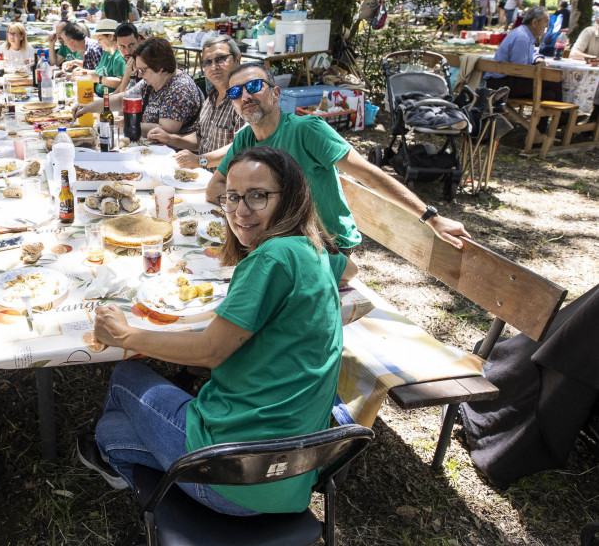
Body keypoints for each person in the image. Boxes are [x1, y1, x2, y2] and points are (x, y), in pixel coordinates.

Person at [78, 146, 353, 516]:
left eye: (258, 196)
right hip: (292, 478)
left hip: (235, 479)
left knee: (120, 391)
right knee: (124, 421)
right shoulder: (313, 249)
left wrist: (124, 336)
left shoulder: (271, 258)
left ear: (290, 199)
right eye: (233, 197)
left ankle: (155, 494)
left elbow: (210, 350)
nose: (241, 211)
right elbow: (349, 270)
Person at [206, 63, 471, 250]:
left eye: (254, 86)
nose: (245, 96)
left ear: (276, 93)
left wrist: (431, 218)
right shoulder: (245, 139)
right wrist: (242, 214)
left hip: (326, 246)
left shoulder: (308, 130)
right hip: (276, 239)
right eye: (235, 92)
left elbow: (369, 174)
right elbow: (214, 188)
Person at [148, 34, 244, 171]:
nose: (214, 66)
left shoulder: (245, 97)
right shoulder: (211, 96)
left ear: (238, 59)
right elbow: (200, 139)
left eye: (221, 59)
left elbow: (242, 146)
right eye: (208, 62)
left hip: (228, 183)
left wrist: (200, 160)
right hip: (204, 177)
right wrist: (170, 139)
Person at [74, 36, 203, 137]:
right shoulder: (154, 79)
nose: (140, 76)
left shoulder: (179, 88)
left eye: (142, 70)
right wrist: (87, 107)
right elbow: (122, 99)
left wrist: (128, 124)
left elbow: (165, 131)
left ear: (160, 68)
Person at [485, 6, 562, 112]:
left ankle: (540, 128)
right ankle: (563, 116)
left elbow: (533, 52)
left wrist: (538, 58)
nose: (547, 26)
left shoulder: (525, 34)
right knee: (553, 78)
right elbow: (520, 71)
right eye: (546, 22)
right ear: (535, 22)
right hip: (502, 84)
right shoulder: (522, 38)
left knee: (549, 95)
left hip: (509, 81)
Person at [80, 19, 126, 96]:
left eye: (100, 39)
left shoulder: (118, 57)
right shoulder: (106, 53)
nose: (98, 42)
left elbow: (121, 82)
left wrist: (99, 79)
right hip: (97, 94)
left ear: (111, 37)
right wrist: (82, 72)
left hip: (107, 98)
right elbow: (99, 72)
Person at [111, 23, 147, 94]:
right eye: (122, 47)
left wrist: (127, 76)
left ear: (138, 40)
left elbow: (122, 98)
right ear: (117, 46)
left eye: (131, 45)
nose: (127, 51)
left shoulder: (145, 62)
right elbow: (116, 94)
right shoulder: (131, 63)